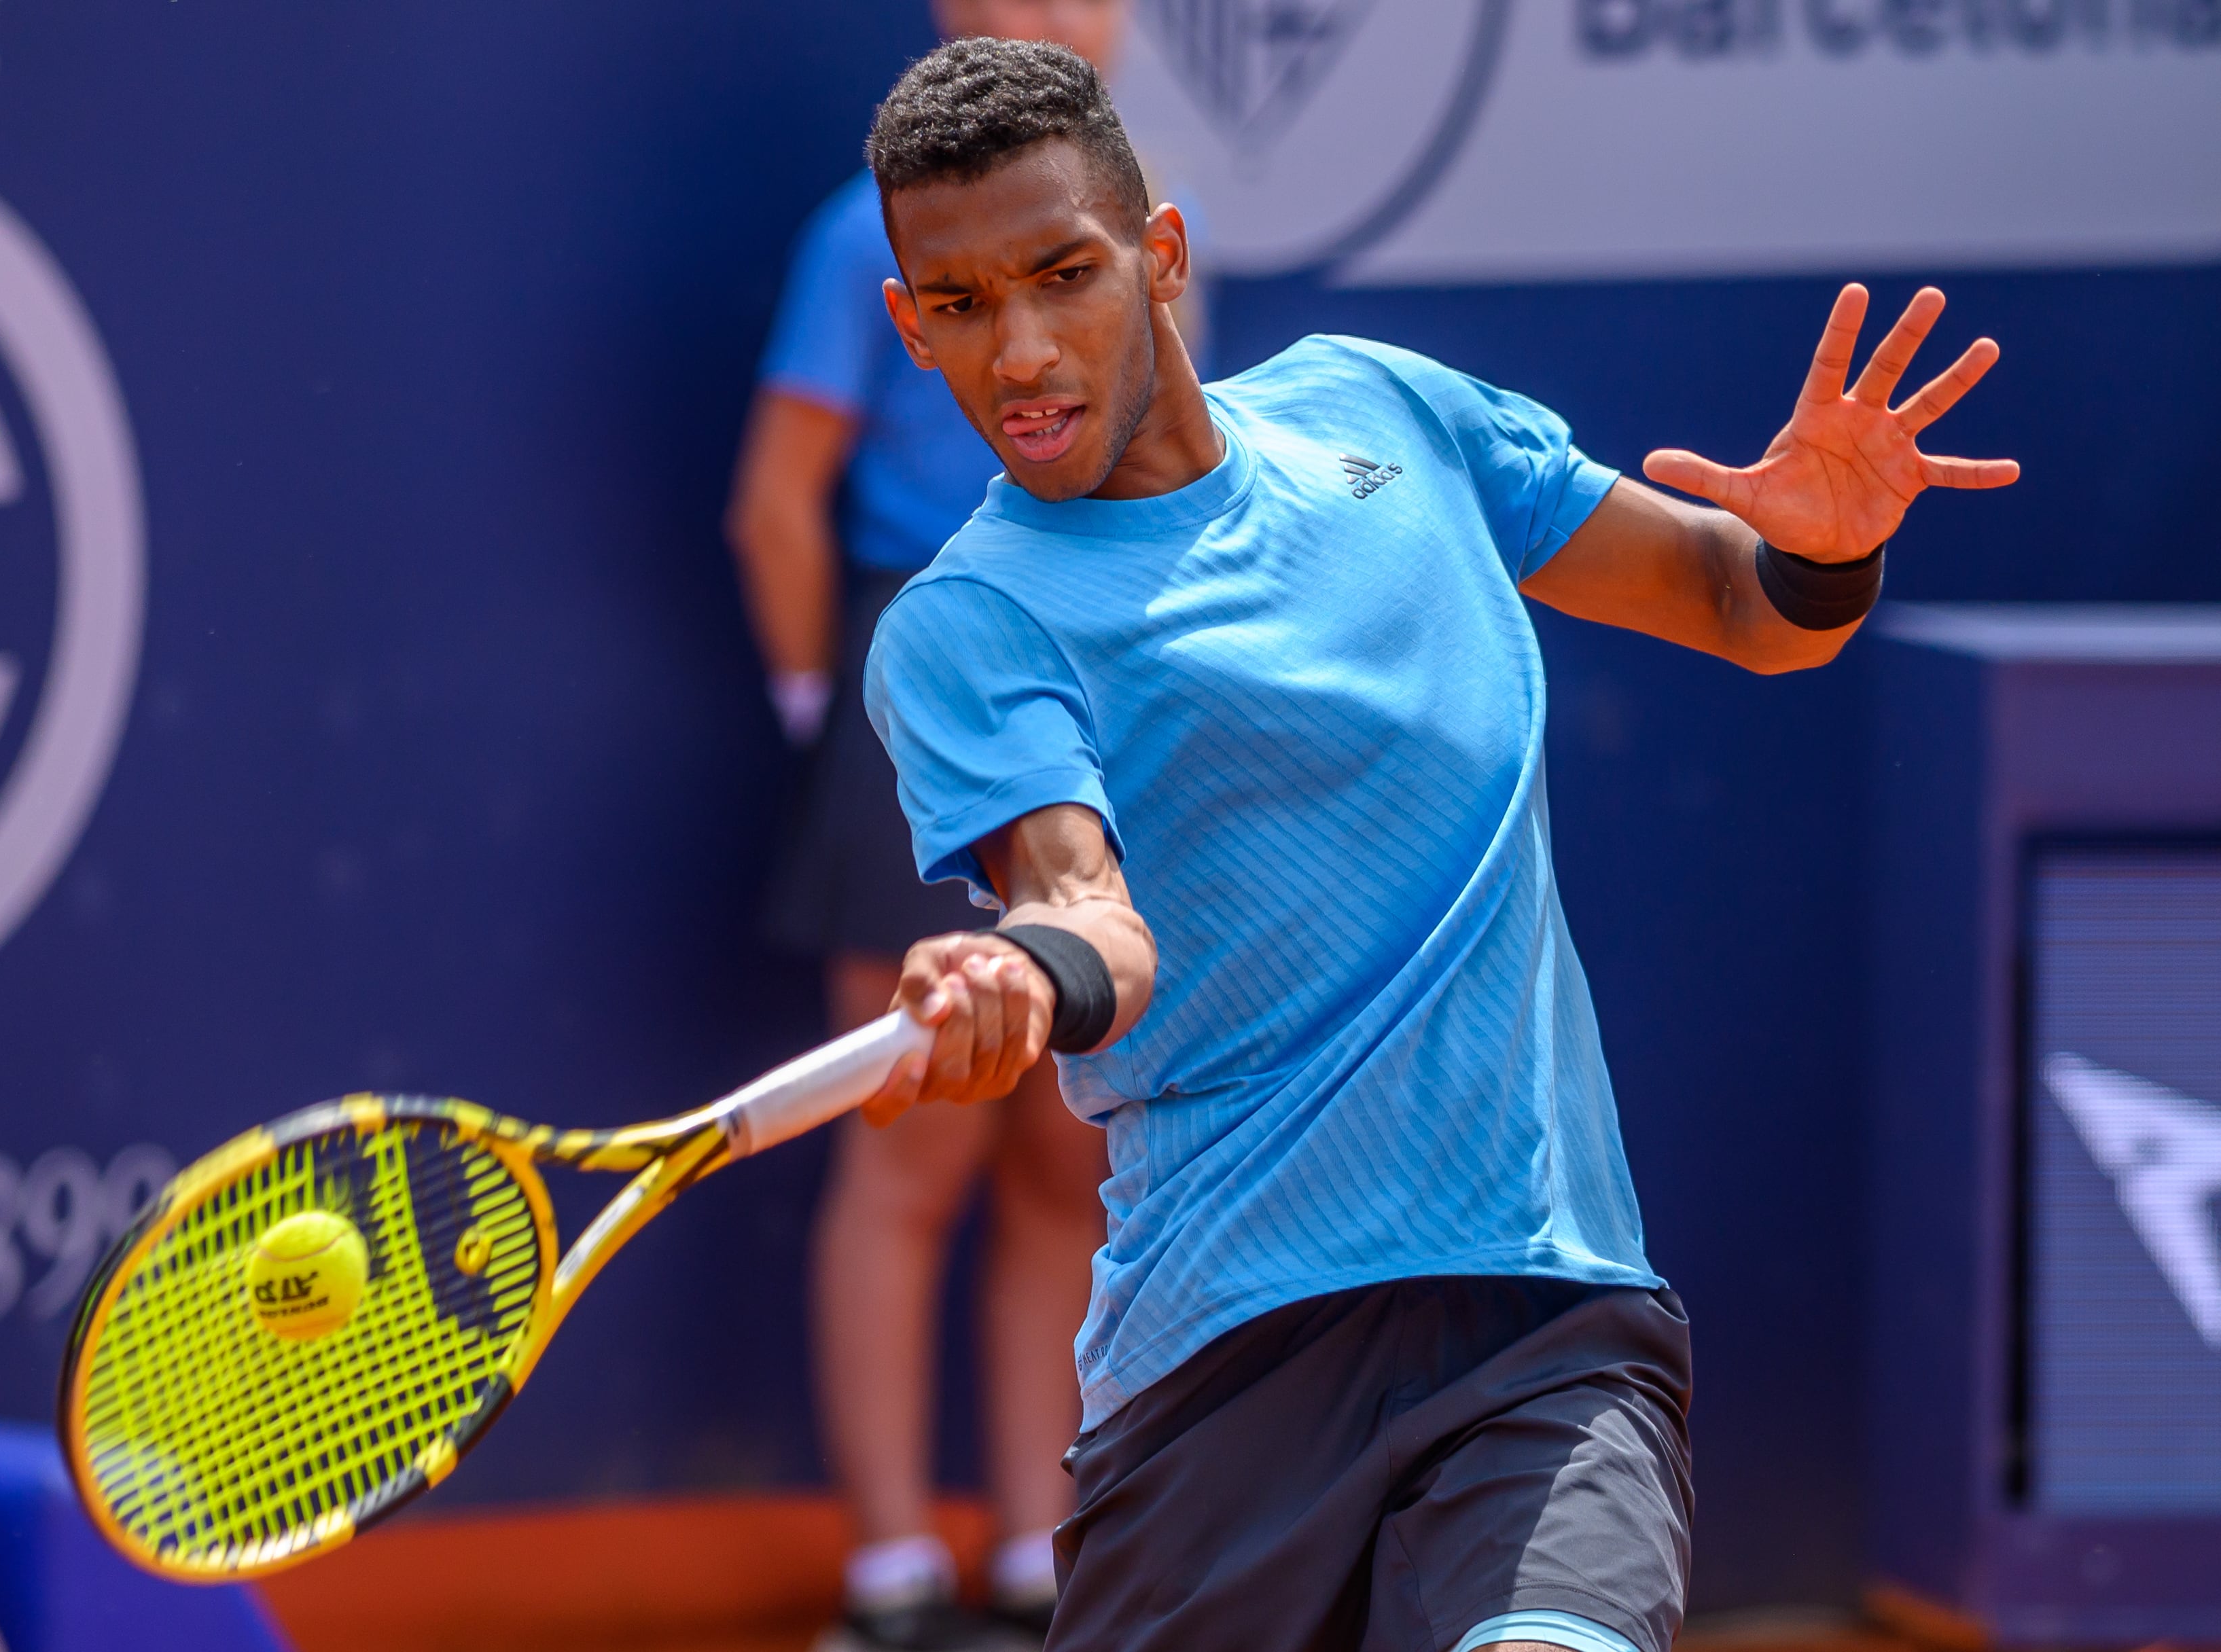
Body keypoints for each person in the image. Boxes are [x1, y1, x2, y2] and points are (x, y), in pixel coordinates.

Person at [847, 38, 2017, 1652]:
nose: (1023, 351)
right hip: (1221, 1375)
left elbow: (1737, 601)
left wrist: (1820, 553)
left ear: (1162, 255)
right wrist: (1022, 972)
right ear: (909, 324)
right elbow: (1084, 907)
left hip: (1543, 1321)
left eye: (1064, 275)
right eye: (962, 305)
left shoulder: (1387, 415)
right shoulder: (969, 623)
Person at [726, 7, 1162, 1649]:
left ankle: (1038, 1557)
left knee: (1068, 1153)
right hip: (913, 697)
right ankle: (893, 1574)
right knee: (912, 1148)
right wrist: (831, 715)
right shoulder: (864, 237)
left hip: (1098, 695)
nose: (1057, 14)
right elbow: (775, 502)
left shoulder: (1146, 213)